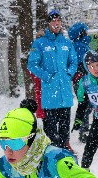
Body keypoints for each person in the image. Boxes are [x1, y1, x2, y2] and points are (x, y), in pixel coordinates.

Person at [27, 9, 78, 148]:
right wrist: (46, 76)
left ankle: (64, 160)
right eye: (53, 21)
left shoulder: (66, 43)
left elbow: (74, 61)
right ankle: (53, 160)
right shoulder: (40, 43)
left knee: (64, 134)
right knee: (51, 135)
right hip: (50, 97)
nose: (56, 23)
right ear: (48, 23)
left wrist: (69, 74)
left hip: (65, 96)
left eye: (58, 21)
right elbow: (31, 64)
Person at [68, 22, 93, 143]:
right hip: (84, 80)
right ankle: (84, 131)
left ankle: (85, 129)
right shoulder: (80, 47)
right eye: (86, 31)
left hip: (80, 79)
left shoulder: (78, 45)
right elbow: (82, 63)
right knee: (86, 104)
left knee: (85, 103)